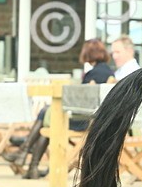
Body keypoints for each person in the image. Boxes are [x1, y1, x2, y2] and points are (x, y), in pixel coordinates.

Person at [13, 39, 115, 179]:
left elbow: (79, 101)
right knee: (49, 120)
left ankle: (25, 152)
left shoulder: (93, 74)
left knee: (47, 114)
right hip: (92, 118)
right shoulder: (109, 72)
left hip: (84, 120)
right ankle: (30, 163)